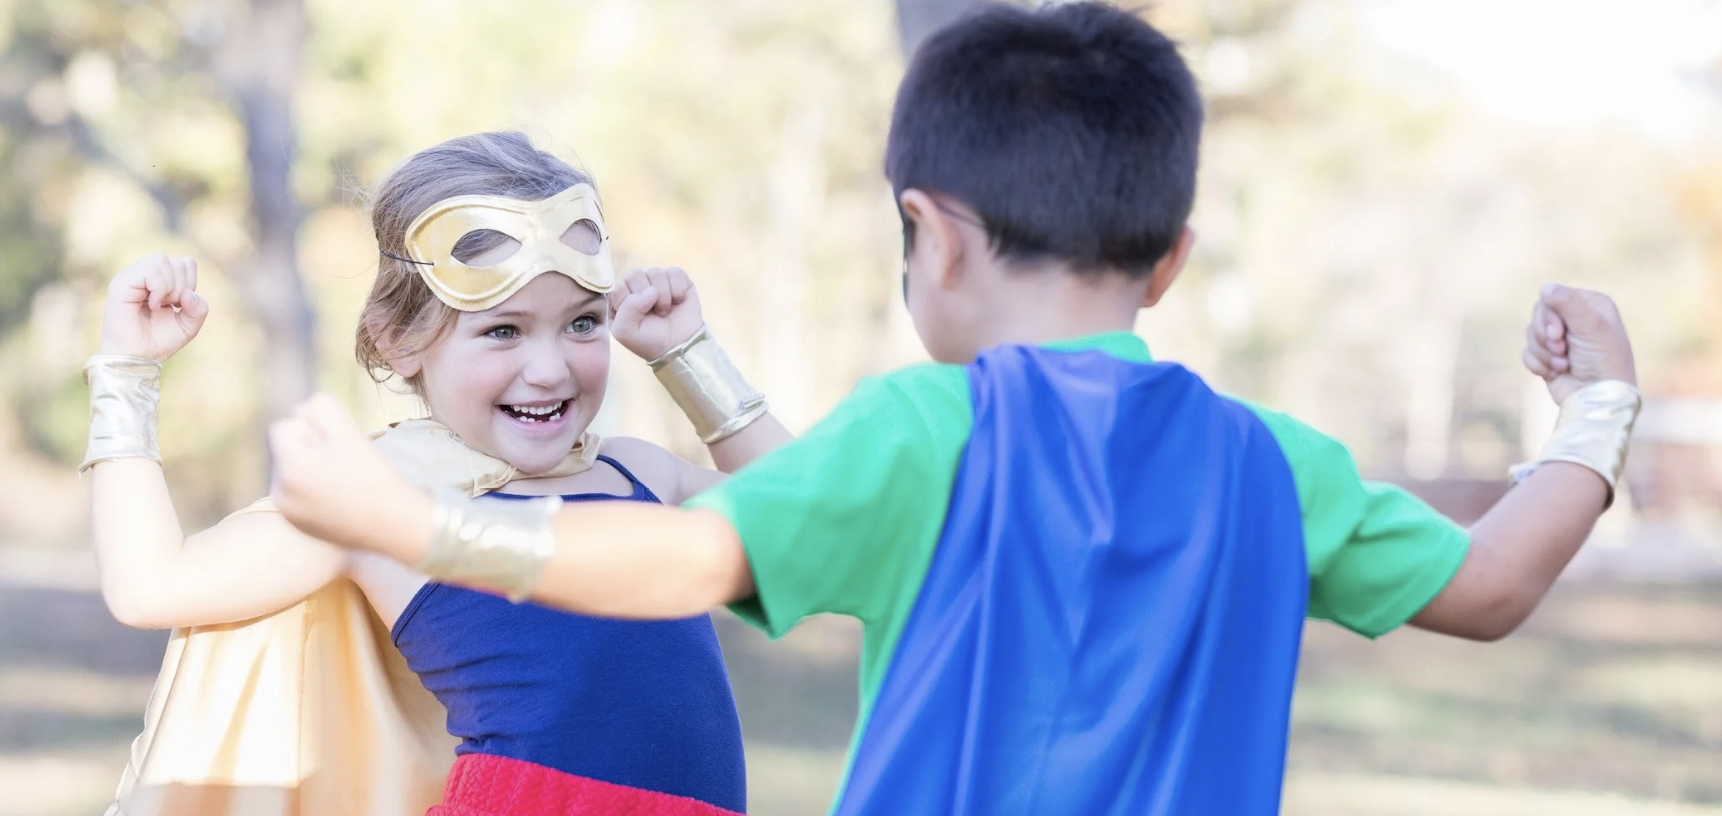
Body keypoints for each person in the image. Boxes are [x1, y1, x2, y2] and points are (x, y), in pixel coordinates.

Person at [267, 5, 1639, 815]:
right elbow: (1497, 583)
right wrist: (1595, 408)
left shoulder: (926, 428)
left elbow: (688, 555)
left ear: (930, 236)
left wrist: (416, 519)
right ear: (1169, 256)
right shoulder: (1270, 462)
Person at [84, 132, 783, 816]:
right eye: (502, 330)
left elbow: (810, 518)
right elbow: (150, 587)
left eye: (582, 323)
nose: (550, 368)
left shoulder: (639, 474)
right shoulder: (380, 502)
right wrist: (126, 372)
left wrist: (688, 357)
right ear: (400, 338)